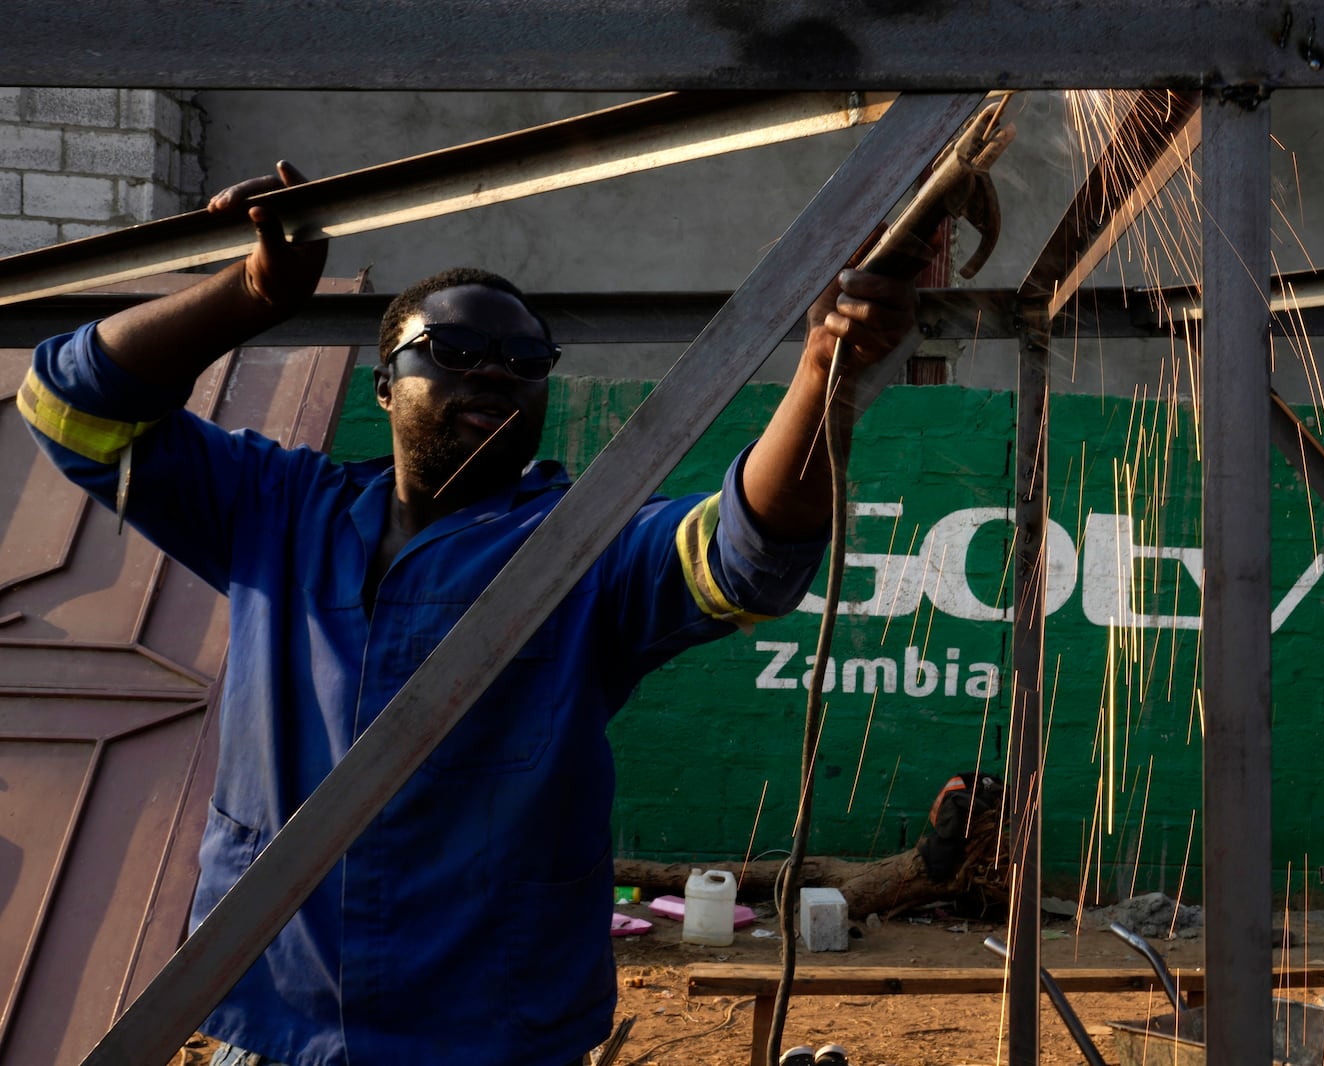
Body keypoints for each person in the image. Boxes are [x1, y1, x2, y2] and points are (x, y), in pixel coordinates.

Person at [22, 162, 925, 1066]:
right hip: (277, 1019)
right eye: (451, 351)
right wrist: (250, 293)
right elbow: (70, 405)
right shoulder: (277, 509)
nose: (494, 370)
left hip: (488, 1028)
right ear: (384, 383)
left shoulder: (581, 545)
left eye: (525, 362)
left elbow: (744, 554)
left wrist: (822, 375)